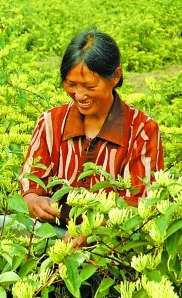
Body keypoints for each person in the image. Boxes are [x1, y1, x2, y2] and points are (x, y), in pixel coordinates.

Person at [19, 29, 164, 236]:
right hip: (50, 240)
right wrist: (33, 200)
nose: (79, 95)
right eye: (71, 84)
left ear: (115, 77)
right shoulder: (50, 122)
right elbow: (30, 181)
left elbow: (141, 206)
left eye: (89, 86)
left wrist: (92, 230)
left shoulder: (142, 131)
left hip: (113, 249)